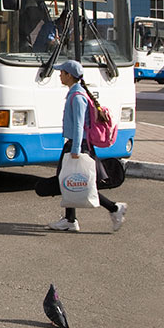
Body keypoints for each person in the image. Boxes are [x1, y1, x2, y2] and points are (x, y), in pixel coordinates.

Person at [47, 59, 127, 232]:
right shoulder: (76, 93)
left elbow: (78, 125)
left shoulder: (77, 97)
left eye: (62, 72)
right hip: (76, 144)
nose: (60, 75)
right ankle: (70, 219)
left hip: (78, 144)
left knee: (76, 181)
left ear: (69, 75)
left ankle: (114, 208)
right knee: (69, 179)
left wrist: (75, 149)